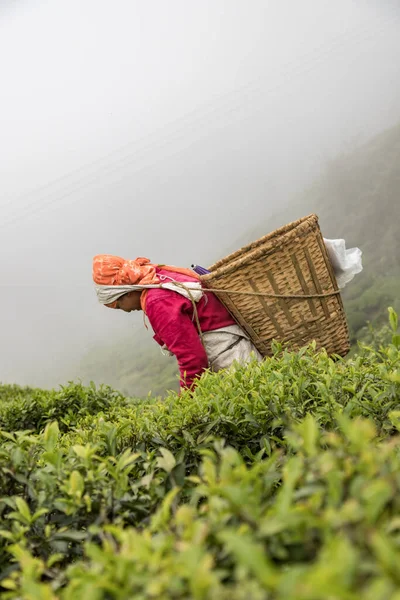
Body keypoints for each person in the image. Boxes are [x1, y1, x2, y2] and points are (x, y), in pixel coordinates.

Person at [92, 255, 262, 390]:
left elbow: (192, 359)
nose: (127, 311)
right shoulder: (159, 275)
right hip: (240, 348)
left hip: (232, 361)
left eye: (120, 306)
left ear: (127, 293)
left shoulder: (156, 302)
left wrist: (186, 403)